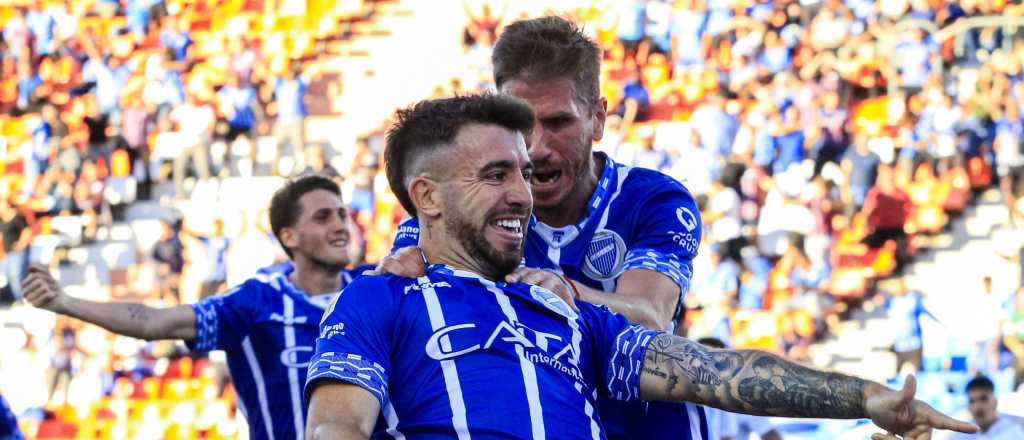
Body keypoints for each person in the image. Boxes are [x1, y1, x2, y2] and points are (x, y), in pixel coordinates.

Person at [305, 93, 977, 440]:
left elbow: (711, 372)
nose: (522, 190)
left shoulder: (563, 311)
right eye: (494, 173)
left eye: (521, 171)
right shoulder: (379, 302)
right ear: (426, 197)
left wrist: (865, 399)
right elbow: (336, 427)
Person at [381, 17, 704, 438]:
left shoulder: (652, 201)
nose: (536, 147)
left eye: (558, 123)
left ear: (599, 119)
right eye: (521, 125)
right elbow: (401, 279)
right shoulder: (472, 206)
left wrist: (563, 291)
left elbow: (652, 317)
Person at [22, 175, 368, 440]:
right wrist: (63, 302)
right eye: (323, 217)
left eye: (341, 214)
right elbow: (153, 322)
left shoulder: (376, 291)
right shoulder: (256, 303)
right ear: (288, 236)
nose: (340, 225)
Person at [697, 337, 782, 440]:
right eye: (704, 359)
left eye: (717, 361)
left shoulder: (742, 396)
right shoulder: (686, 402)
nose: (709, 366)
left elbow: (770, 434)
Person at [936, 376, 1024, 440]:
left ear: (995, 402)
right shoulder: (962, 433)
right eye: (972, 401)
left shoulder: (1012, 432)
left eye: (983, 399)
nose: (978, 406)